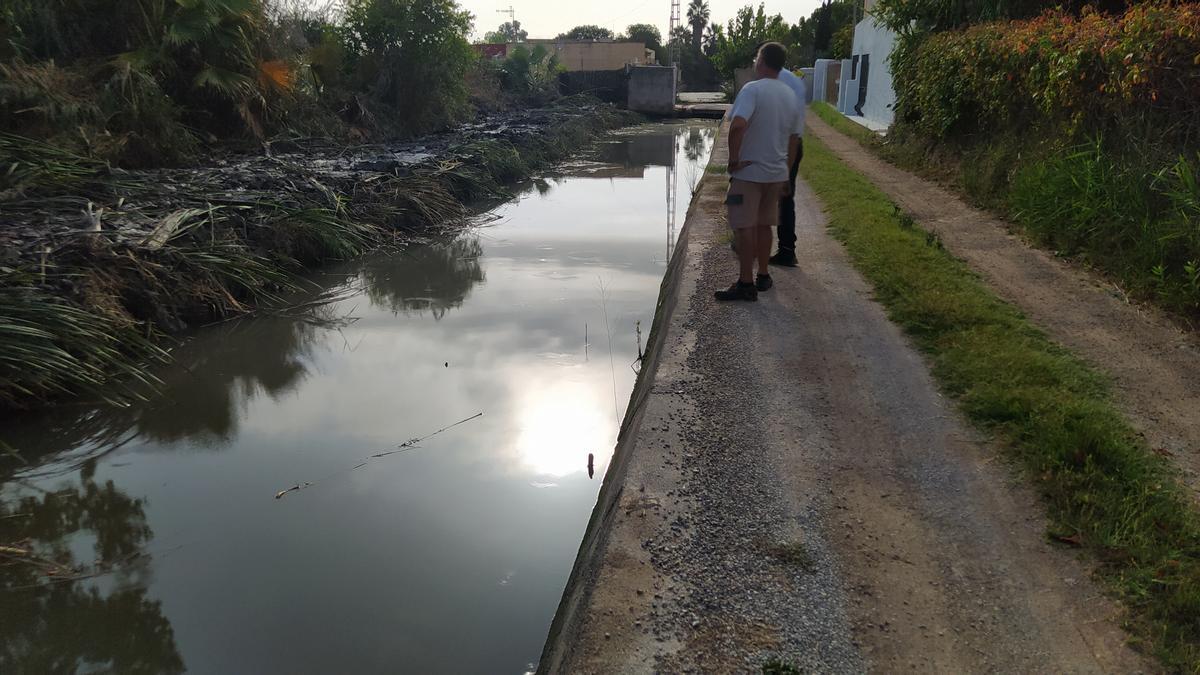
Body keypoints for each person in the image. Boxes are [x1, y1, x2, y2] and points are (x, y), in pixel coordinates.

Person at [715, 42, 803, 302]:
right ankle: (763, 275)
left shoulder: (752, 90)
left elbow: (737, 125)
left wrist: (733, 160)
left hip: (748, 174)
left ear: (762, 62)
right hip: (775, 175)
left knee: (743, 227)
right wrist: (785, 173)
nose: (755, 63)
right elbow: (794, 140)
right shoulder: (789, 95)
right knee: (765, 225)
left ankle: (745, 283)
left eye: (756, 59)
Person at [769, 64, 807, 267]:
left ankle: (785, 249)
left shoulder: (777, 82)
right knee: (784, 198)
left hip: (784, 145)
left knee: (779, 196)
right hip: (792, 143)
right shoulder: (793, 79)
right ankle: (786, 248)